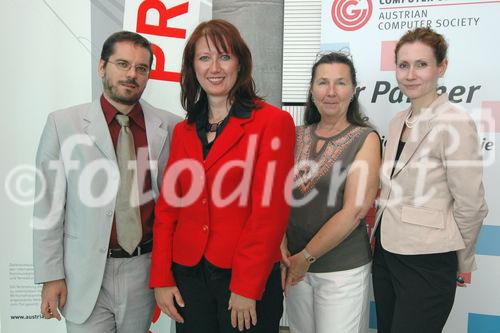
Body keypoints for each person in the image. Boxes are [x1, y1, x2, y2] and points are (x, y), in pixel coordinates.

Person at [149, 19, 295, 333]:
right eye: (204, 58)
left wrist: (246, 285)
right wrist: (161, 277)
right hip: (189, 276)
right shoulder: (184, 130)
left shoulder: (273, 122)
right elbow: (167, 209)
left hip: (243, 280)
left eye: (224, 57)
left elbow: (269, 213)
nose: (214, 67)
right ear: (193, 67)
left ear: (240, 64)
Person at [33, 31, 181, 332]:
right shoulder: (63, 124)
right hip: (83, 274)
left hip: (143, 271)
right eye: (123, 64)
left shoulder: (170, 126)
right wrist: (51, 275)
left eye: (142, 68)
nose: (132, 74)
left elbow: (174, 205)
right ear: (102, 67)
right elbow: (48, 208)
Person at [372, 27, 488, 333]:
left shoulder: (456, 122)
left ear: (442, 67)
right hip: (386, 253)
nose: (410, 74)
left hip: (428, 258)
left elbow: (471, 204)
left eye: (421, 64)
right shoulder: (398, 120)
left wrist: (460, 260)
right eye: (403, 65)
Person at [281, 52, 381, 333]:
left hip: (342, 271)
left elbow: (355, 211)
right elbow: (275, 196)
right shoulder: (294, 134)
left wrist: (305, 258)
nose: (331, 92)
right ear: (312, 90)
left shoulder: (366, 138)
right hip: (294, 267)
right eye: (323, 82)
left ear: (353, 90)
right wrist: (282, 247)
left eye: (341, 83)